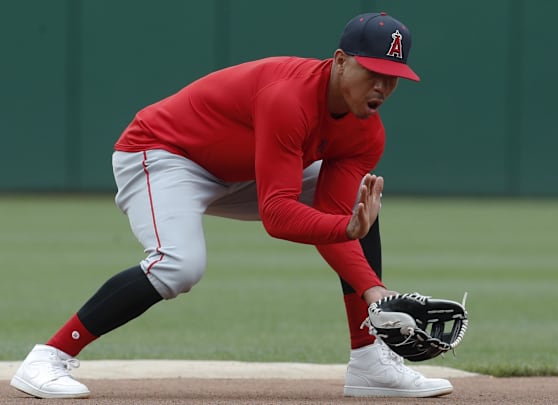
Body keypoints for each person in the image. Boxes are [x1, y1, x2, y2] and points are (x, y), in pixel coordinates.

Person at [10, 12, 454, 399]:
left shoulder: (366, 133)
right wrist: (345, 232)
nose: (381, 85)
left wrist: (372, 287)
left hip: (242, 170)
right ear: (339, 61)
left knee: (359, 205)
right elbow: (278, 216)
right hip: (164, 153)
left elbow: (336, 221)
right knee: (178, 266)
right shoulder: (289, 97)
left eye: (392, 76)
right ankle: (49, 357)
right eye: (371, 71)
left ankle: (369, 362)